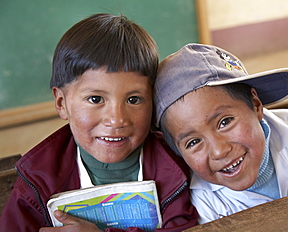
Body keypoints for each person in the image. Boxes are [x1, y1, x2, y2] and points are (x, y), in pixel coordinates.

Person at [0, 14, 197, 231]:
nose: (117, 120)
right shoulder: (38, 181)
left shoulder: (178, 163)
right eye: (95, 99)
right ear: (61, 102)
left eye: (134, 100)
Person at [153, 43, 288, 224]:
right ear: (178, 152)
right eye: (193, 142)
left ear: (256, 105)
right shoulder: (204, 202)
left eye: (225, 122)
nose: (219, 151)